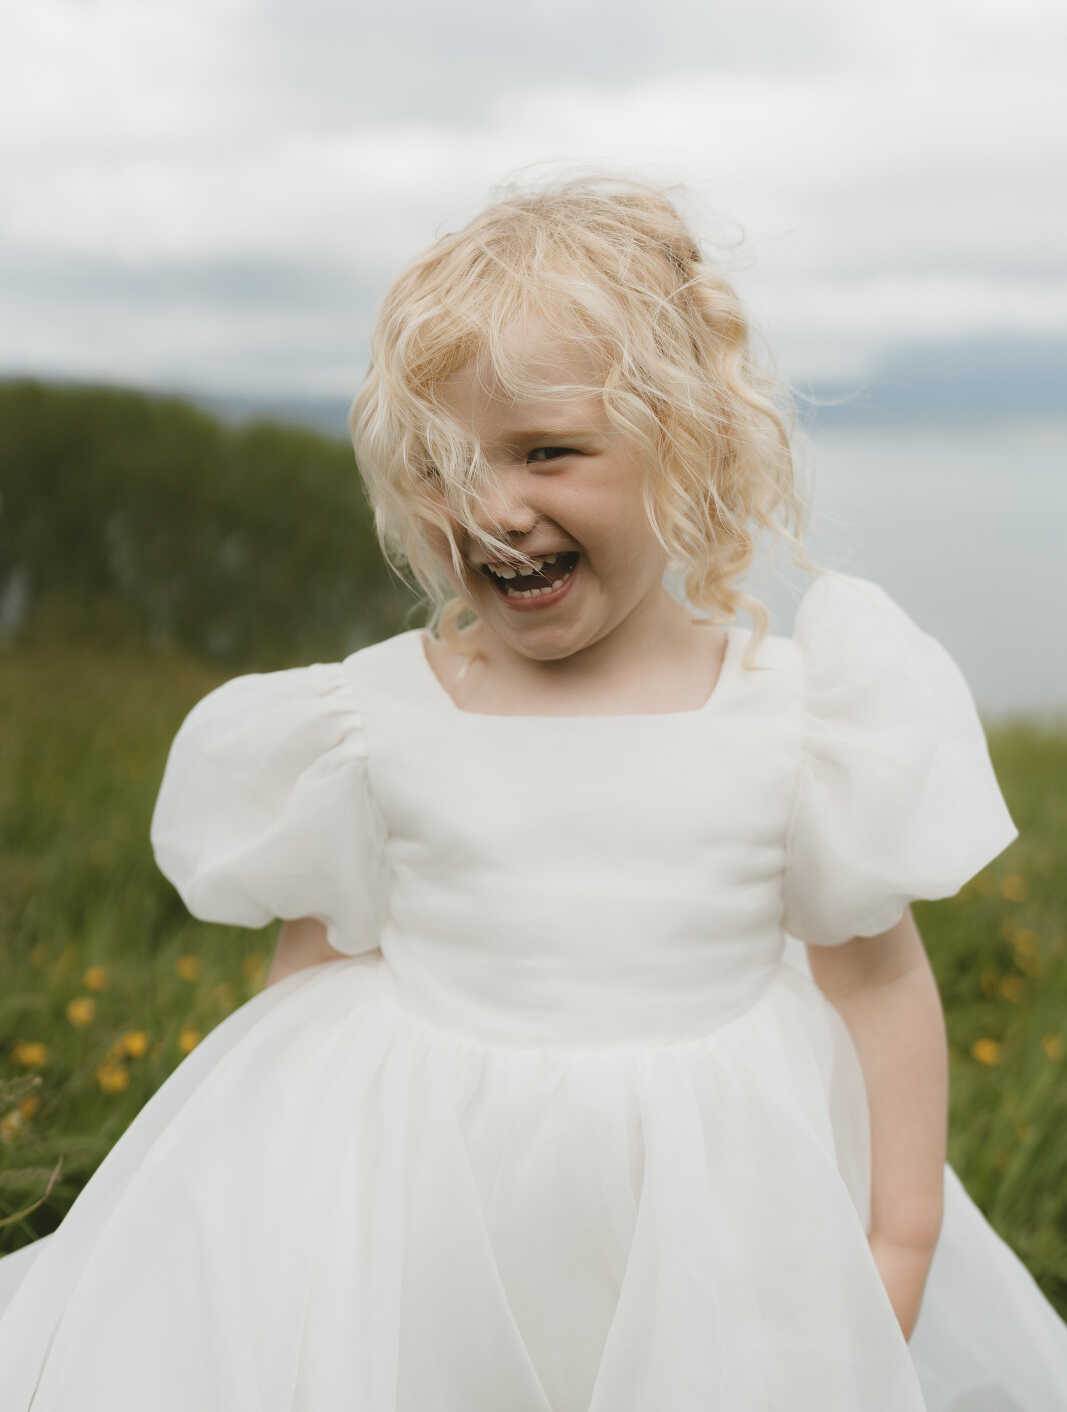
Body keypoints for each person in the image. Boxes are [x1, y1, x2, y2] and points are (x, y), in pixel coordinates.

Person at [1, 178, 1065, 1411]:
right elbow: (311, 986)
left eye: (545, 450)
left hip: (714, 1207)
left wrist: (898, 1235)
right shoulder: (374, 720)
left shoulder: (790, 718)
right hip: (434, 1209)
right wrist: (280, 1230)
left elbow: (874, 982)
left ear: (684, 444)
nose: (491, 508)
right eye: (441, 466)